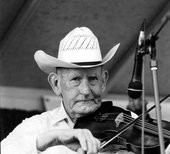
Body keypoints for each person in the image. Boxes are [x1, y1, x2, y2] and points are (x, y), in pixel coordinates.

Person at [1, 27, 168, 154]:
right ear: (56, 84)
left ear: (104, 80)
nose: (86, 90)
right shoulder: (37, 126)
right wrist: (52, 138)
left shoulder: (129, 122)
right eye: (75, 79)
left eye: (93, 79)